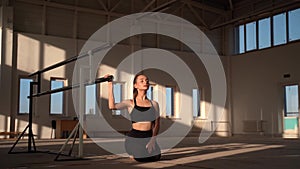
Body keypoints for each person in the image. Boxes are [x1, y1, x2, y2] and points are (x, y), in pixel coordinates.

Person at [105, 73, 161, 162]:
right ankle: (133, 152)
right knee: (142, 158)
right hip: (135, 137)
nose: (145, 82)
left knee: (156, 157)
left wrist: (152, 140)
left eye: (147, 81)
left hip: (149, 136)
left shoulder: (154, 104)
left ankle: (139, 152)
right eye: (141, 81)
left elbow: (157, 124)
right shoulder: (130, 103)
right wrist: (110, 84)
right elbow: (112, 106)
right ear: (136, 85)